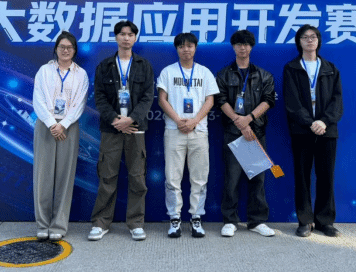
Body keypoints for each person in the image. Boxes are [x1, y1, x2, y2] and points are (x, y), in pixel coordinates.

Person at [88, 20, 154, 241]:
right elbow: (99, 97)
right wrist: (115, 119)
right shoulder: (105, 66)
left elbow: (148, 97)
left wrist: (131, 119)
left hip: (135, 128)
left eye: (130, 34)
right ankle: (101, 223)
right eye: (122, 34)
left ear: (135, 38)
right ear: (116, 37)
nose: (126, 38)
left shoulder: (144, 65)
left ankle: (136, 223)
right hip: (111, 128)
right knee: (107, 176)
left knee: (137, 177)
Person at [283, 25, 343, 238]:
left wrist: (324, 122)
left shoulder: (330, 68)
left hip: (327, 131)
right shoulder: (291, 68)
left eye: (313, 36)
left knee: (326, 176)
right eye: (305, 37)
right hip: (302, 131)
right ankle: (305, 221)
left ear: (318, 41)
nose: (310, 40)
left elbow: (337, 101)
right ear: (299, 42)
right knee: (302, 176)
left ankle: (325, 221)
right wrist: (311, 123)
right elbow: (292, 102)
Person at [157, 33, 219, 238]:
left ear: (195, 48)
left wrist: (194, 121)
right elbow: (162, 99)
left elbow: (210, 101)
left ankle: (196, 217)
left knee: (199, 177)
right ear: (176, 49)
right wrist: (178, 120)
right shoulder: (168, 71)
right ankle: (174, 218)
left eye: (190, 46)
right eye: (182, 46)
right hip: (174, 130)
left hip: (198, 131)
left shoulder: (204, 72)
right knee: (172, 177)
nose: (186, 50)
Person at [215, 30, 276, 238]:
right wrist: (239, 122)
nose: (243, 48)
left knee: (257, 178)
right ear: (233, 47)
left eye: (247, 44)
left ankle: (256, 221)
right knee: (231, 179)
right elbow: (221, 101)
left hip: (255, 132)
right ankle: (230, 221)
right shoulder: (223, 74)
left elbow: (268, 100)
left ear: (252, 47)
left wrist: (248, 119)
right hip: (233, 132)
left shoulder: (264, 75)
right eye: (239, 44)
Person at [32, 30, 89, 241]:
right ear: (56, 49)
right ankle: (42, 224)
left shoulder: (81, 74)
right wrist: (51, 123)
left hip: (69, 126)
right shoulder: (44, 71)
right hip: (45, 125)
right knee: (43, 176)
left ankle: (58, 225)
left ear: (74, 50)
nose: (65, 51)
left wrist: (63, 124)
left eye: (69, 47)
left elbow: (80, 103)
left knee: (65, 176)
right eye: (62, 47)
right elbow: (38, 99)